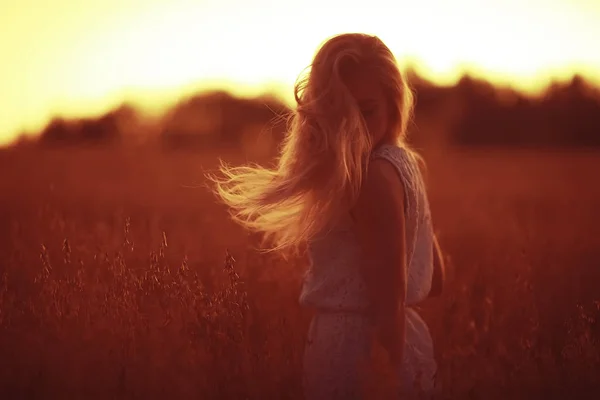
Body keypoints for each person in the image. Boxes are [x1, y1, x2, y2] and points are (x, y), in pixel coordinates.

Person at [207, 32, 445, 399]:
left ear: (394, 103)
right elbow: (436, 278)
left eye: (366, 111)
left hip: (357, 353)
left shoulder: (371, 178)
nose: (354, 127)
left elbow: (390, 301)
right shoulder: (406, 164)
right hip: (400, 344)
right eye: (341, 113)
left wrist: (385, 378)